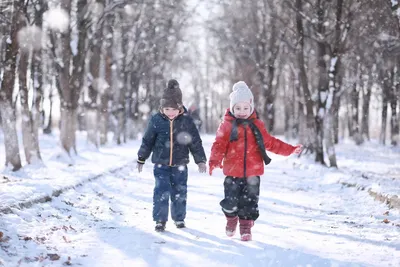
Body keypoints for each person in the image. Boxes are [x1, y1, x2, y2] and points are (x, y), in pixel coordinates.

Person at [208, 81, 302, 241]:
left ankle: (245, 228)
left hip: (253, 174)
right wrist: (214, 161)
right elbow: (218, 145)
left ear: (251, 107)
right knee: (230, 202)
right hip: (232, 173)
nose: (242, 112)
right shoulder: (227, 126)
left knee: (249, 203)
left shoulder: (257, 125)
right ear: (232, 108)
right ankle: (231, 220)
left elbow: (271, 143)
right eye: (238, 108)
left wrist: (290, 149)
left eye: (245, 108)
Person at [136, 79, 207, 232]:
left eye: (174, 109)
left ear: (180, 107)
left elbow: (195, 142)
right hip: (161, 164)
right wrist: (142, 157)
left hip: (180, 164)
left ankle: (179, 218)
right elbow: (147, 140)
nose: (170, 112)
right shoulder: (156, 120)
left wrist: (200, 160)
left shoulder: (186, 121)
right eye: (167, 109)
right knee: (161, 192)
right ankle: (160, 220)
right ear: (161, 107)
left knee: (180, 192)